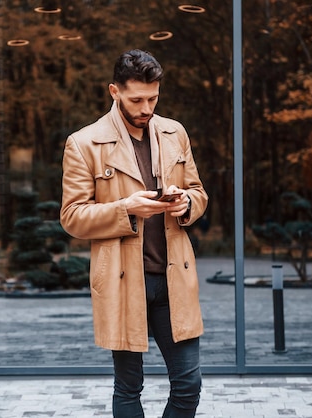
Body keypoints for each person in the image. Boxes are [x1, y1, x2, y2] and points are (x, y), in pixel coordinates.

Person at [60, 49, 209, 418]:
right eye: (137, 99)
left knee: (189, 384)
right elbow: (72, 217)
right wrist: (126, 209)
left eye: (153, 98)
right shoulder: (83, 143)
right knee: (129, 388)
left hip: (174, 278)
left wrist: (186, 203)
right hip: (123, 280)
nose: (146, 108)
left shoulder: (176, 133)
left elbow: (199, 192)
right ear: (114, 91)